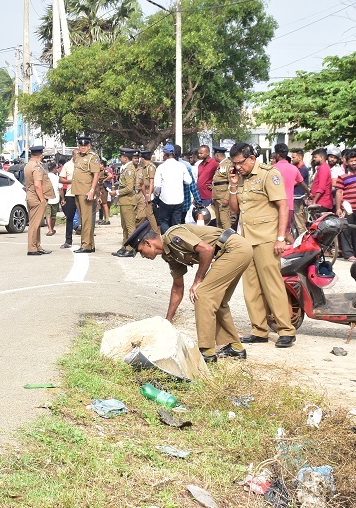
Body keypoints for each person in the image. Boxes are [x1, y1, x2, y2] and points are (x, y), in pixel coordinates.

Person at [125, 219, 254, 364]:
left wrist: (198, 280)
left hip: (235, 249)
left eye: (141, 251)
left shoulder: (172, 236)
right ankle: (235, 347)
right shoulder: (169, 255)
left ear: (148, 243)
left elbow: (207, 249)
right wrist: (168, 320)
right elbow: (177, 288)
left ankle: (207, 353)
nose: (142, 256)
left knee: (203, 295)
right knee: (219, 301)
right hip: (233, 251)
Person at [228, 142, 296, 348]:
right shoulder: (240, 178)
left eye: (241, 163)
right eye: (235, 164)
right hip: (247, 239)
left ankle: (286, 330)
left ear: (251, 158)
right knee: (251, 288)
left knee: (272, 286)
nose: (238, 167)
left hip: (267, 238)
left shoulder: (269, 174)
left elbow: (283, 206)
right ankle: (259, 330)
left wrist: (281, 238)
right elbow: (234, 210)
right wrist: (232, 185)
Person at [333, 149, 356, 259]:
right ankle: (348, 254)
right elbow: (339, 192)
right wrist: (338, 208)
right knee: (346, 231)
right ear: (347, 162)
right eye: (351, 161)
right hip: (348, 208)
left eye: (355, 160)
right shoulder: (342, 177)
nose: (354, 163)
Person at [70, 136, 103, 253]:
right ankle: (90, 244)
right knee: (82, 218)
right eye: (81, 145)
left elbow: (96, 175)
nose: (83, 148)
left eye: (85, 146)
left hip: (86, 191)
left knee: (86, 219)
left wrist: (92, 191)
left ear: (89, 146)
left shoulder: (93, 157)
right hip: (77, 190)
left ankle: (86, 245)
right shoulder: (78, 156)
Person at [23, 145, 53, 257]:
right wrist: (42, 199)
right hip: (36, 197)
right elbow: (37, 184)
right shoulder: (37, 167)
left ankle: (37, 246)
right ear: (41, 155)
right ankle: (32, 248)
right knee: (34, 224)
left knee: (35, 223)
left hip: (30, 196)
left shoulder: (28, 165)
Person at [273, 143, 307, 240]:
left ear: (277, 154)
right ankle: (295, 250)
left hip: (275, 206)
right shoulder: (294, 168)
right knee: (286, 231)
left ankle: (295, 249)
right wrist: (309, 193)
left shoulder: (273, 169)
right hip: (289, 206)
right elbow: (302, 184)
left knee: (279, 232)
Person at [152, 144, 188, 232]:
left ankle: (167, 240)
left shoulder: (161, 167)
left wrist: (156, 197)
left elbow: (157, 188)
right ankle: (175, 241)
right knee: (176, 223)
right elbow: (188, 181)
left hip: (165, 200)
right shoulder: (181, 166)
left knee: (163, 221)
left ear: (165, 154)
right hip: (179, 200)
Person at [113, 149, 139, 256]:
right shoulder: (126, 168)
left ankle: (130, 248)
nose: (120, 158)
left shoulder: (129, 169)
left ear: (125, 157)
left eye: (121, 156)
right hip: (124, 201)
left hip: (128, 200)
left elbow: (129, 188)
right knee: (124, 226)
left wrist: (117, 192)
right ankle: (124, 245)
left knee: (130, 226)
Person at [59, 150, 78, 249]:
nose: (78, 156)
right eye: (76, 155)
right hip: (71, 194)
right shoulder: (67, 165)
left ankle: (86, 241)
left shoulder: (83, 163)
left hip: (82, 194)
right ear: (72, 156)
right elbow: (61, 179)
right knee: (69, 218)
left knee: (85, 218)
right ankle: (68, 240)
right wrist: (71, 181)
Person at [194, 144, 216, 211]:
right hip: (199, 196)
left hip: (208, 196)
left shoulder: (214, 164)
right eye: (198, 153)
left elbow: (220, 178)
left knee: (209, 218)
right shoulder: (200, 165)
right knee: (200, 217)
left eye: (201, 153)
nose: (199, 155)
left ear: (208, 153)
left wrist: (214, 186)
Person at [45, 161, 61, 236]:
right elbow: (60, 189)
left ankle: (50, 230)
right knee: (53, 215)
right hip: (55, 198)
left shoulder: (45, 177)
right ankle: (52, 228)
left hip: (46, 198)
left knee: (47, 214)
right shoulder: (57, 178)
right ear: (54, 169)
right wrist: (63, 199)